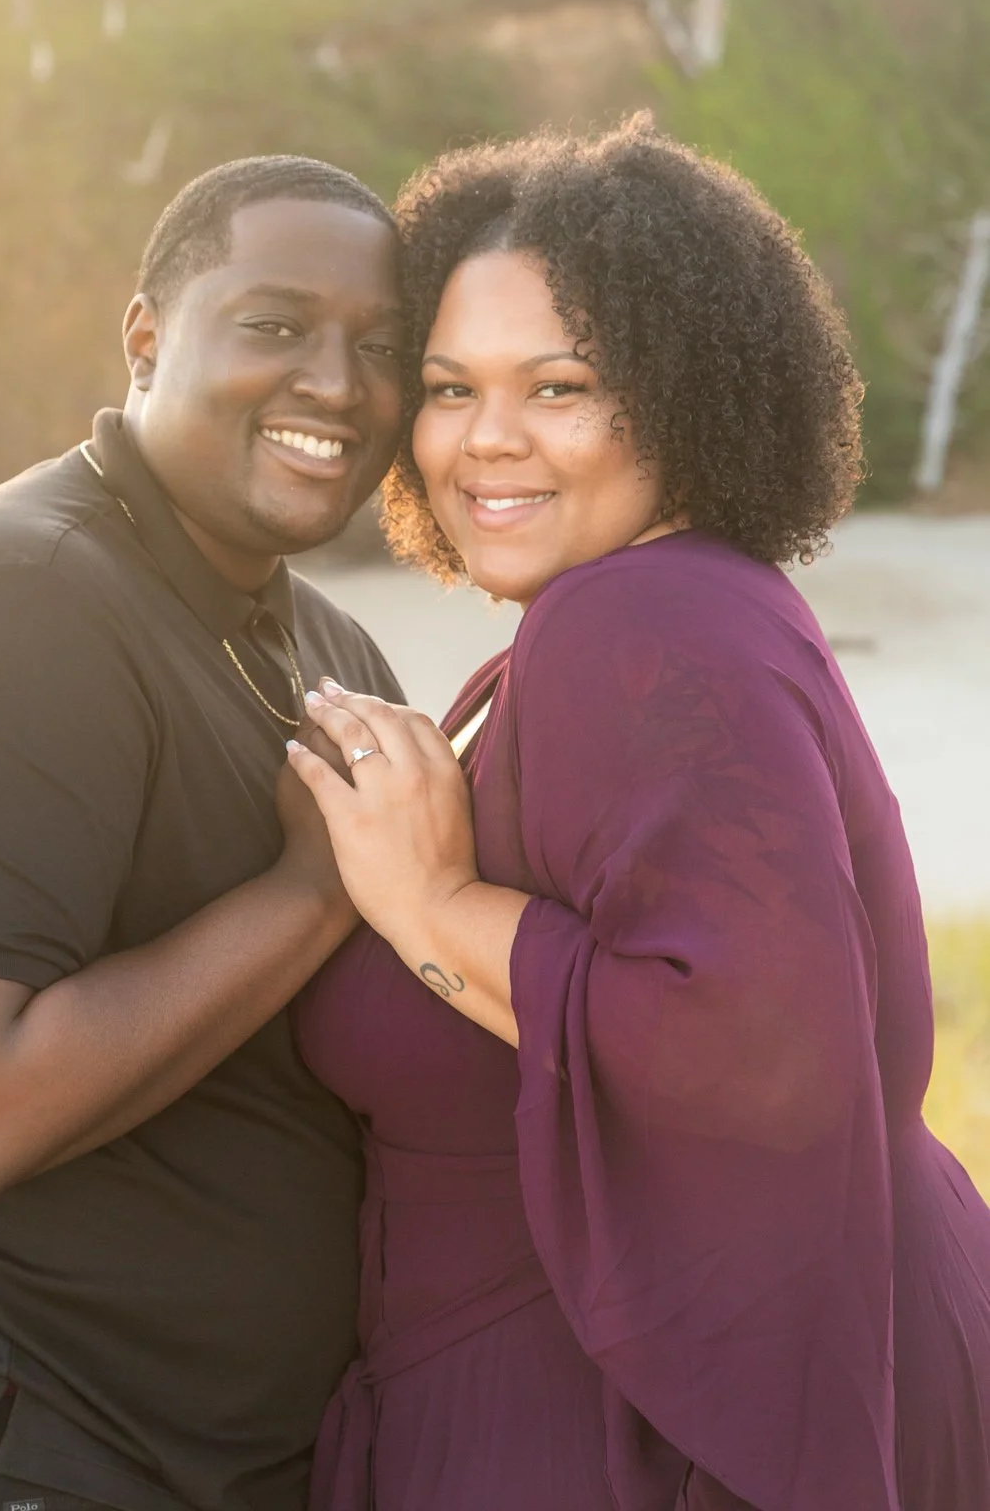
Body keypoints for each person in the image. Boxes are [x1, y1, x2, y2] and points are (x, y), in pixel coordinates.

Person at [285, 119, 990, 1511]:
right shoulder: (679, 606)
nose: (487, 438)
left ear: (684, 397)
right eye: (448, 387)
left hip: (643, 1435)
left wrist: (430, 906)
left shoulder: (637, 619)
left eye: (560, 385)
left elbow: (758, 1051)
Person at [0, 155, 408, 1511]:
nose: (336, 383)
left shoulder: (321, 645)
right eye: (275, 326)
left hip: (184, 1460)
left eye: (383, 347)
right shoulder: (10, 598)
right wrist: (307, 890)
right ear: (147, 337)